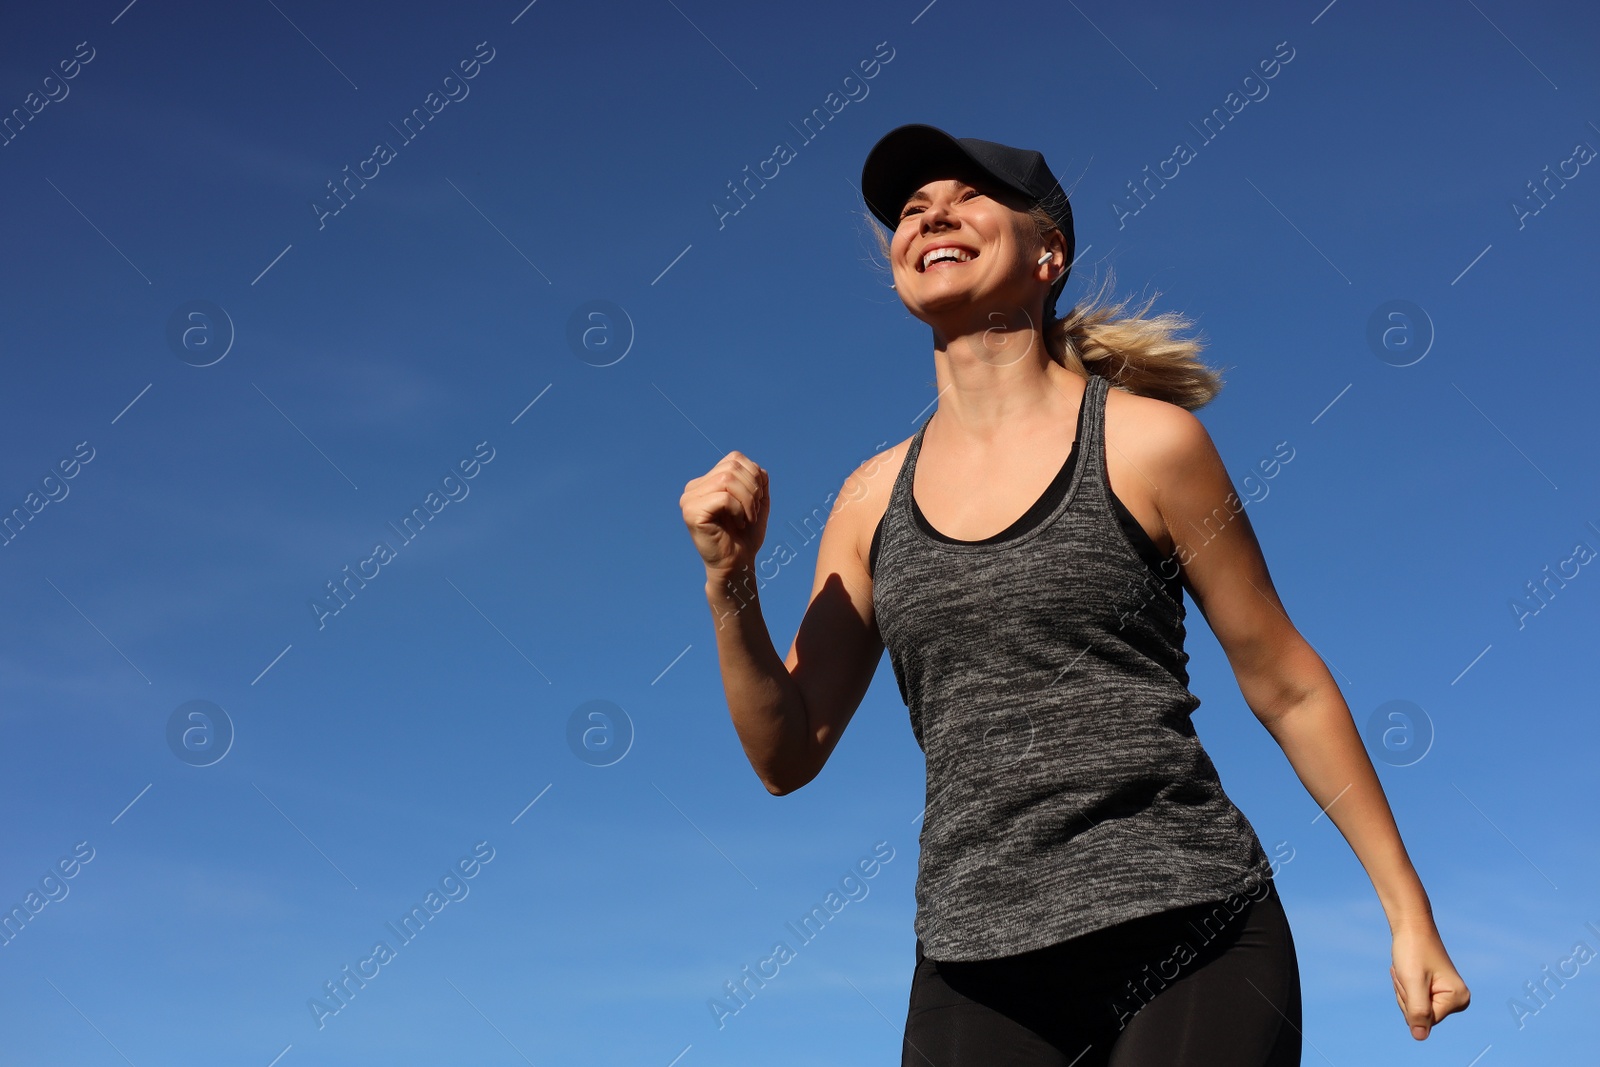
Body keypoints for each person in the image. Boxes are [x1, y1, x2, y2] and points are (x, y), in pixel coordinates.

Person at [678, 123, 1470, 1065]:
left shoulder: (1149, 445)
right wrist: (731, 582)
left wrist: (1405, 910)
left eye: (968, 198)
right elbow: (787, 750)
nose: (930, 214)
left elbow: (1285, 682)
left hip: (1189, 927)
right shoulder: (867, 500)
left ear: (1047, 253)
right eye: (910, 210)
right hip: (973, 962)